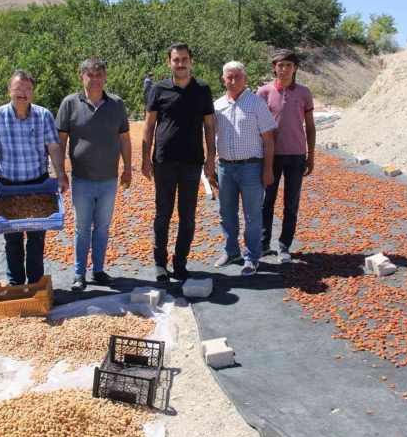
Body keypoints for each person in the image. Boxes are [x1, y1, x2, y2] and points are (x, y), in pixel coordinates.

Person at [0, 70, 69, 286]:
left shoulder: (43, 115)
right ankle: (16, 284)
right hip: (8, 187)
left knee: (37, 239)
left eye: (27, 89)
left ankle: (36, 283)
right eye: (18, 89)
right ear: (10, 90)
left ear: (33, 92)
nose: (22, 94)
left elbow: (54, 148)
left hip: (38, 185)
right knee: (12, 240)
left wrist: (61, 174)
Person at [142, 43, 216, 282]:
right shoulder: (158, 89)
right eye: (176, 60)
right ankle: (160, 264)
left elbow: (209, 126)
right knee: (162, 214)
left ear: (191, 61)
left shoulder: (203, 89)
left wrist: (211, 158)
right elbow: (149, 125)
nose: (180, 63)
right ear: (169, 62)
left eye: (184, 59)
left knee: (188, 216)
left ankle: (180, 263)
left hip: (192, 162)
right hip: (164, 160)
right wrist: (145, 158)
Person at [56, 59, 131, 292]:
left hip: (109, 179)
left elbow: (125, 139)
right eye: (90, 74)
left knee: (102, 228)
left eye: (99, 74)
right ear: (82, 77)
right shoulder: (69, 103)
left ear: (105, 77)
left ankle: (98, 270)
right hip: (81, 179)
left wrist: (127, 168)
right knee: (81, 228)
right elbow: (59, 142)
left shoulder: (116, 104)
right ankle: (79, 274)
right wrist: (60, 173)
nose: (95, 78)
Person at [212, 62, 276, 276]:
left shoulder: (256, 104)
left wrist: (268, 169)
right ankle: (232, 252)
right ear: (223, 80)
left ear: (245, 78)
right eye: (229, 77)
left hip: (251, 167)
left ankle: (252, 257)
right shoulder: (217, 105)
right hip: (225, 167)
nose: (233, 81)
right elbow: (210, 138)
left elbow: (268, 139)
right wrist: (209, 163)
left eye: (238, 76)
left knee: (252, 215)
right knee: (226, 214)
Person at [257, 49, 316, 264]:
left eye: (288, 65)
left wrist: (310, 157)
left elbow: (310, 127)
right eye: (280, 65)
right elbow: (258, 127)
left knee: (291, 202)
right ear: (274, 67)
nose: (284, 69)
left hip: (296, 155)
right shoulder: (263, 93)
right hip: (270, 156)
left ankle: (284, 245)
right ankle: (263, 243)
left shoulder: (304, 93)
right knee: (266, 201)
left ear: (296, 68)